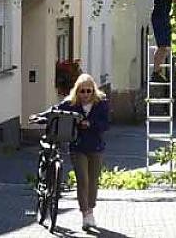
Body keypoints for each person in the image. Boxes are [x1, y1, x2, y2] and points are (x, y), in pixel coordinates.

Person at [56, 72, 109, 232]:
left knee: (93, 181)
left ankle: (90, 210)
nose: (85, 95)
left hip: (96, 147)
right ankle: (85, 213)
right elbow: (56, 111)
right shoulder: (70, 104)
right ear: (77, 91)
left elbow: (105, 124)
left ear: (94, 91)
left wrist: (90, 124)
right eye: (82, 91)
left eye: (89, 91)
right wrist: (40, 116)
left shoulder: (101, 104)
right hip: (78, 147)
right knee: (83, 180)